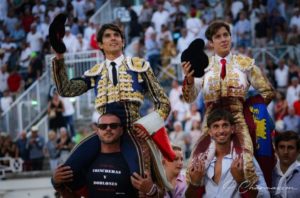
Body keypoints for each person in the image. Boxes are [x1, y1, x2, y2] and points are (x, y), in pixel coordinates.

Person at [51, 22, 175, 192]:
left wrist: (148, 125)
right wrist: (59, 58)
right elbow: (66, 89)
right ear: (100, 44)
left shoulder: (139, 66)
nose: (113, 38)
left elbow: (163, 102)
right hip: (104, 132)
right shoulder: (94, 72)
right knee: (66, 171)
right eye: (108, 36)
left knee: (140, 178)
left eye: (117, 35)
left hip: (132, 131)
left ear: (123, 42)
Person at [181, 20, 275, 182]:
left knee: (246, 168)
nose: (223, 39)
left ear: (231, 38)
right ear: (211, 43)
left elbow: (268, 91)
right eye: (218, 36)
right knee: (194, 170)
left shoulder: (245, 64)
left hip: (238, 122)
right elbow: (189, 98)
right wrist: (189, 80)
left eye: (226, 35)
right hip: (210, 126)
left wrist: (251, 112)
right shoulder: (203, 66)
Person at [52, 111, 164, 197]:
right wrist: (56, 183)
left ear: (121, 130)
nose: (108, 129)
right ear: (97, 131)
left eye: (113, 125)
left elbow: (161, 193)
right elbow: (74, 196)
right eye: (103, 126)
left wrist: (151, 190)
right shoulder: (86, 161)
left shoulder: (136, 159)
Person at [185, 108, 270, 197]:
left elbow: (264, 195)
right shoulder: (200, 160)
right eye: (216, 126)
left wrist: (242, 181)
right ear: (210, 132)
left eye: (225, 125)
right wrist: (194, 183)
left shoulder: (245, 157)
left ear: (232, 129)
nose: (221, 131)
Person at [272, 131, 300, 197]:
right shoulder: (269, 172)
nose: (285, 152)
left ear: (298, 151)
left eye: (290, 148)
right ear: (276, 150)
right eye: (282, 147)